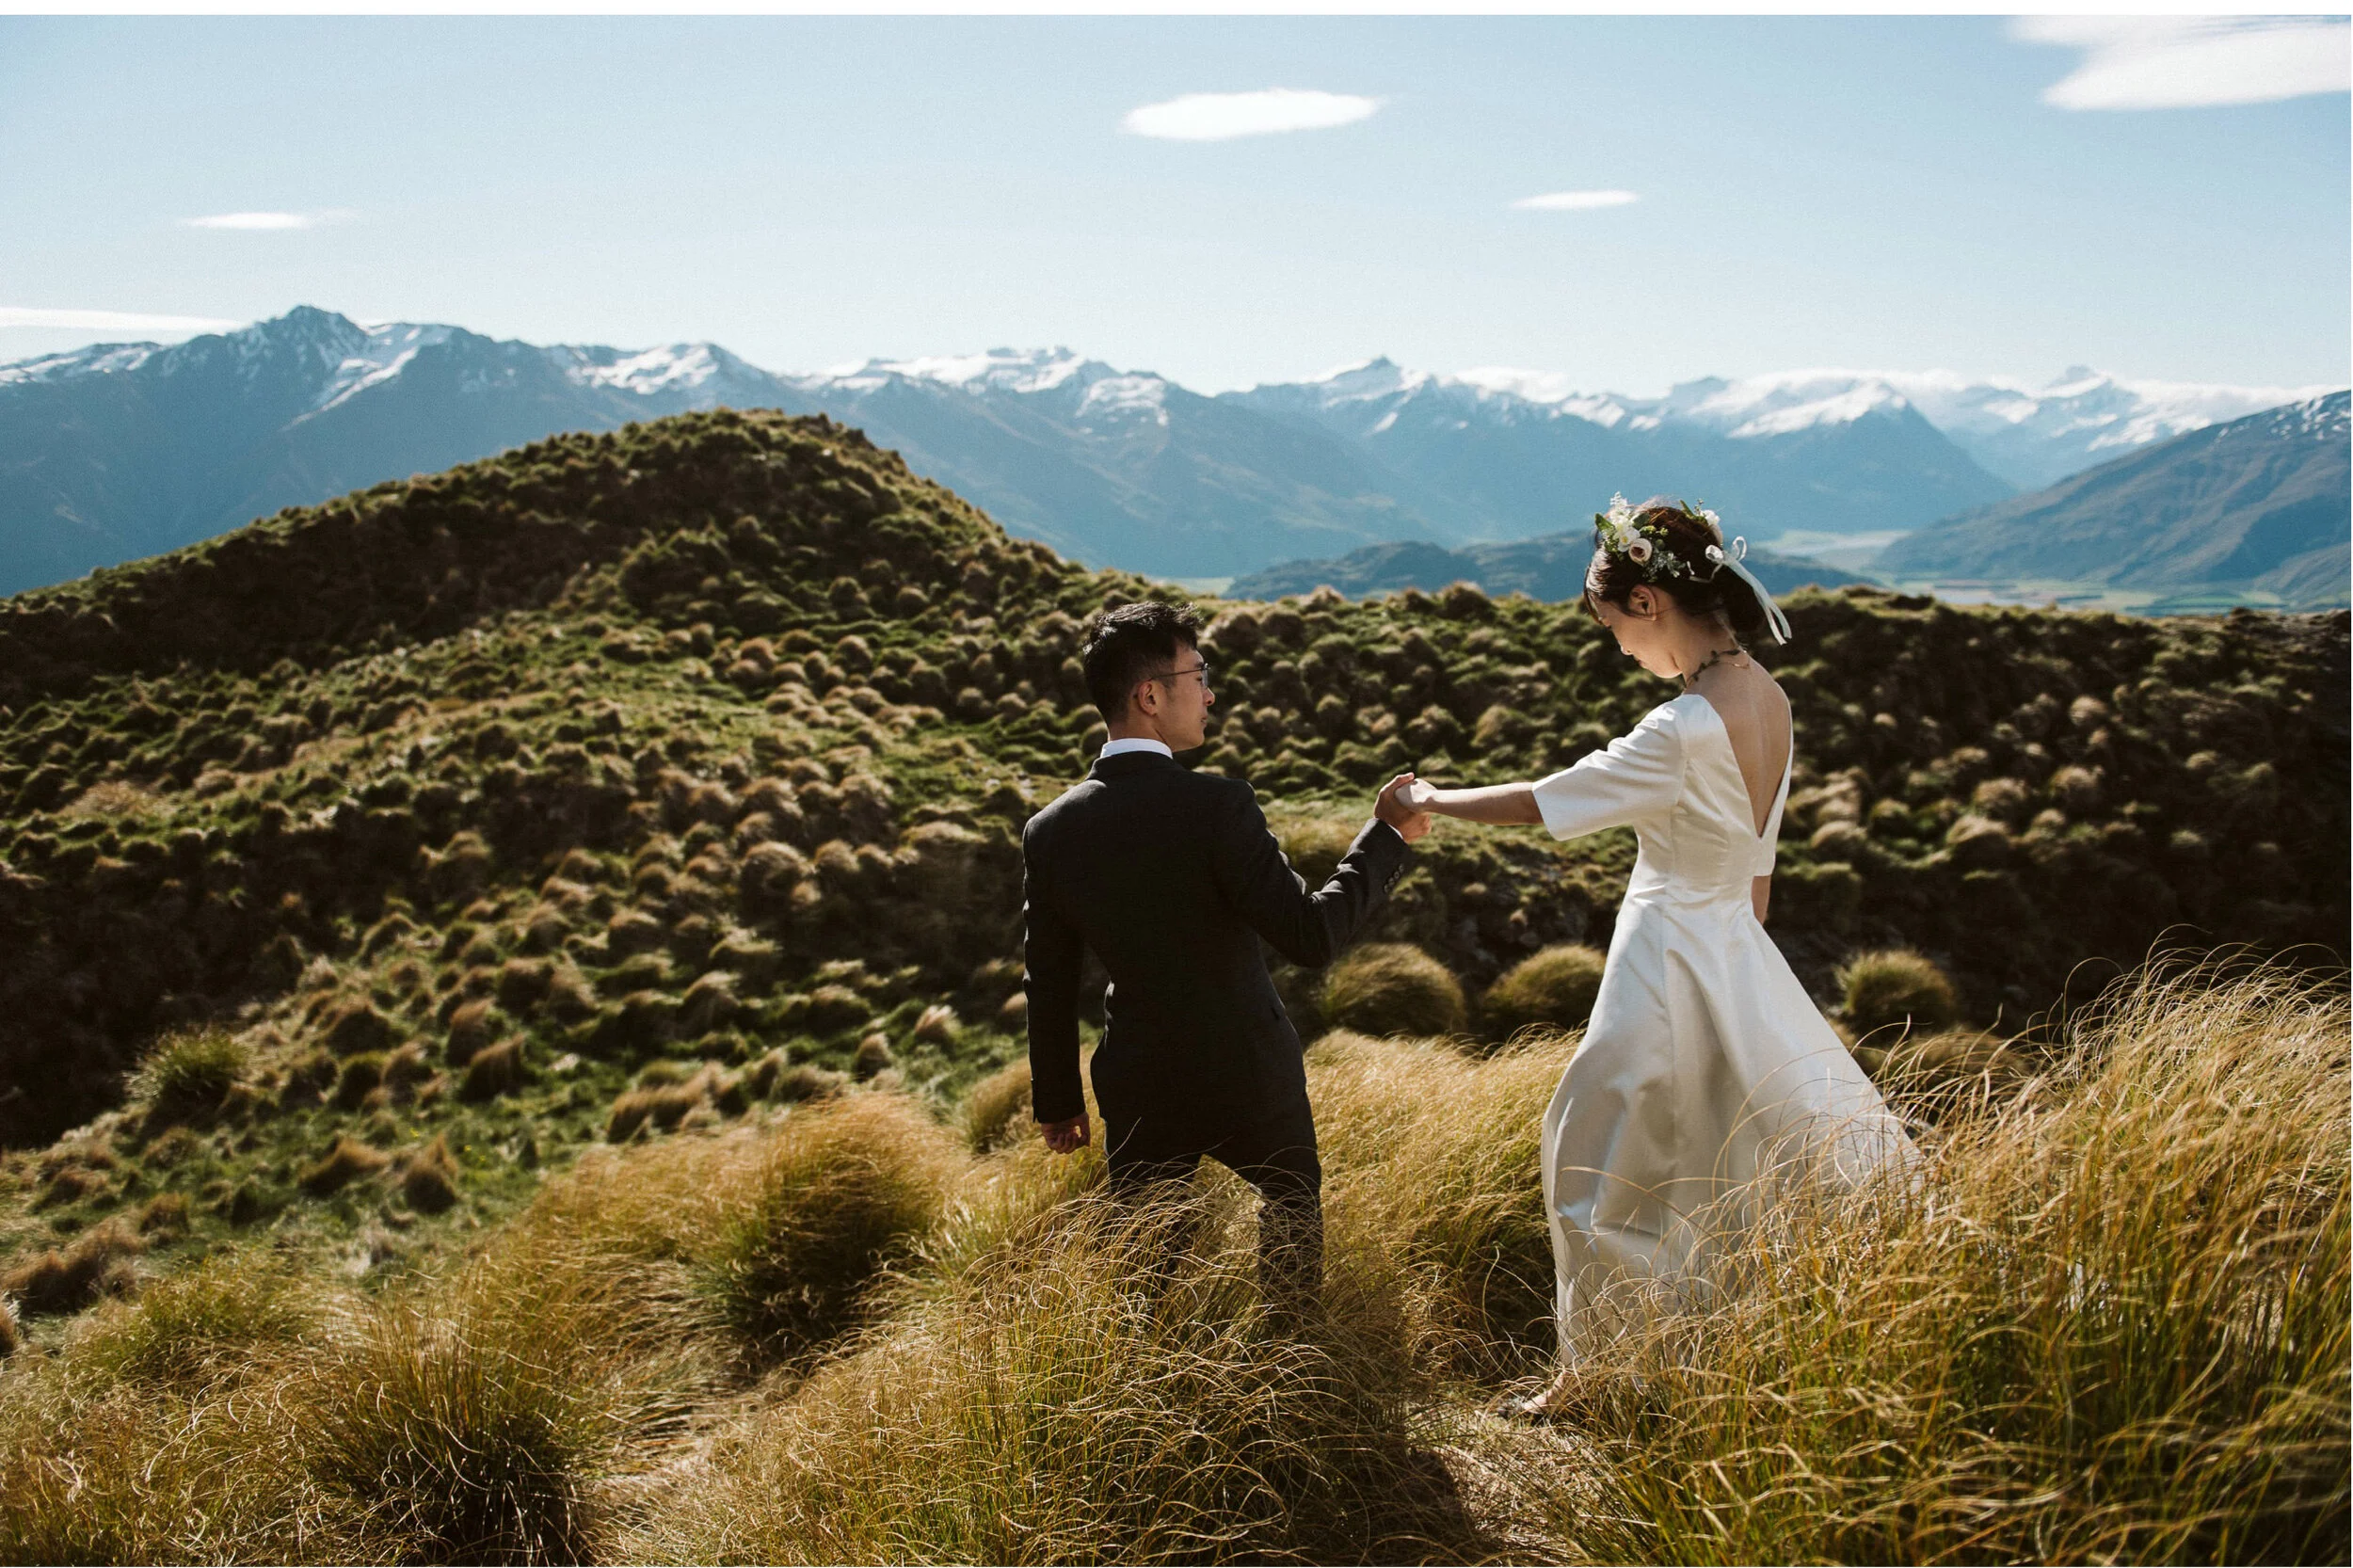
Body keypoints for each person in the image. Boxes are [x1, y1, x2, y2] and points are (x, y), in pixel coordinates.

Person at [1396, 496, 1913, 1419]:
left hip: (1666, 956)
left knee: (1590, 1155)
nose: (1623, 653)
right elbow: (1758, 875)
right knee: (1737, 1158)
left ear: (1646, 601)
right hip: (1736, 953)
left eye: (1615, 632)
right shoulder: (1768, 696)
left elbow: (1551, 800)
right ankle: (1702, 1351)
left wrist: (1432, 795)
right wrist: (1740, 971)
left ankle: (1597, 1379)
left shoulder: (1682, 729)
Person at [1023, 600, 1431, 1311]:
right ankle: (1292, 1364)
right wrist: (1384, 837)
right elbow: (1311, 936)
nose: (1209, 693)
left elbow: (1049, 980)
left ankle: (1141, 1395)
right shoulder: (1221, 806)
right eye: (1198, 674)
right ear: (1150, 696)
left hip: (1141, 1076)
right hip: (1248, 1067)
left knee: (1144, 1276)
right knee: (1291, 1212)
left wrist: (1058, 1102)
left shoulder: (1049, 829)